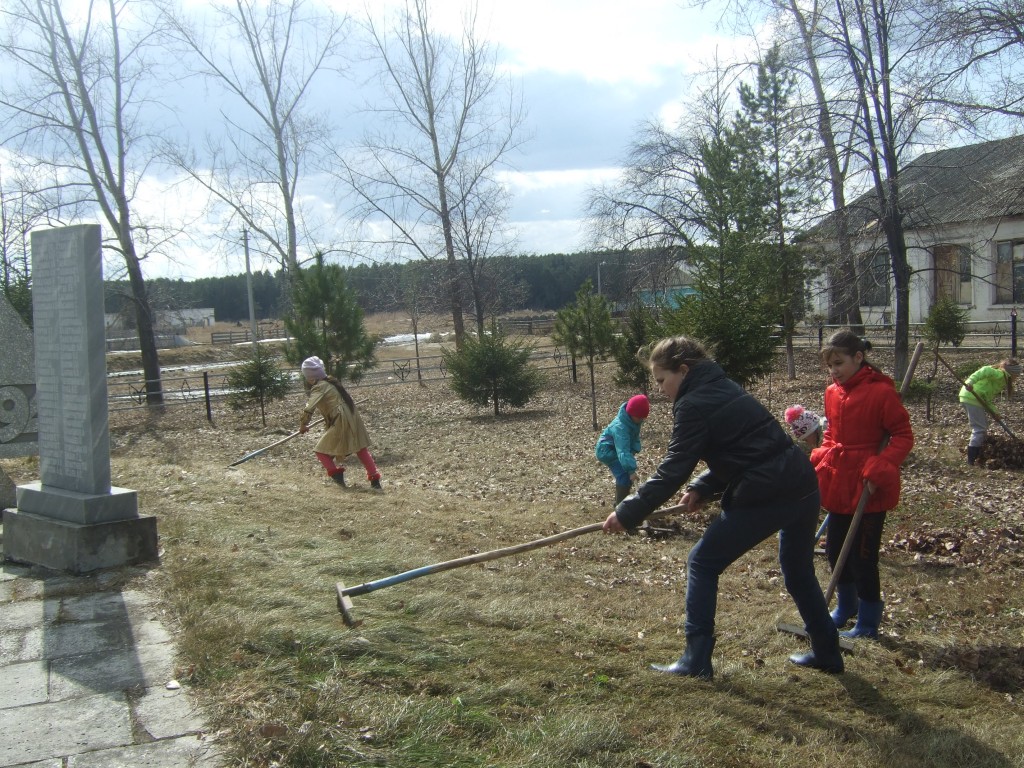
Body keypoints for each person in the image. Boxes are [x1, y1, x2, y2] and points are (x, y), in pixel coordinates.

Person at [602, 336, 842, 679]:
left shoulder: (692, 403)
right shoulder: (724, 385)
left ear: (683, 371)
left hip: (767, 491)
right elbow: (746, 446)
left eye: (661, 380)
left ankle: (695, 659)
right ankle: (827, 651)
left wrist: (628, 512)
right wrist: (703, 485)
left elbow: (673, 470)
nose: (660, 390)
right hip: (800, 482)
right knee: (798, 569)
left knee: (702, 561)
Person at [809, 331, 913, 640]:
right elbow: (831, 432)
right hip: (840, 480)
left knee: (863, 558)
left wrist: (883, 464)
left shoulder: (881, 393)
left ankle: (868, 622)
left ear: (858, 357)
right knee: (834, 551)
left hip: (869, 485)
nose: (834, 371)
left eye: (839, 363)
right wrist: (823, 452)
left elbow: (903, 436)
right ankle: (846, 607)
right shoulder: (832, 392)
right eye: (830, 366)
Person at [299, 356, 382, 490]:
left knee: (321, 451)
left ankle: (336, 475)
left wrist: (303, 424)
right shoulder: (332, 382)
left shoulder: (319, 387)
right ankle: (375, 480)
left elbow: (309, 407)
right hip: (352, 416)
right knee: (360, 448)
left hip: (341, 420)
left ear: (311, 377)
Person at [958, 358, 1020, 465]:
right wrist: (970, 383)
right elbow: (983, 370)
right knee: (979, 429)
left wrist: (995, 412)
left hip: (972, 398)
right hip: (972, 396)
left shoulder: (1002, 380)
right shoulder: (999, 374)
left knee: (981, 427)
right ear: (1012, 373)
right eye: (1016, 375)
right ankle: (971, 460)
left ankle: (975, 455)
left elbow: (986, 399)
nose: (1016, 378)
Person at [595, 394, 650, 505]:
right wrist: (631, 471)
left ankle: (621, 502)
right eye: (639, 417)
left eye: (643, 418)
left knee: (627, 476)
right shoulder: (620, 428)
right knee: (624, 476)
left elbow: (633, 438)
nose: (641, 420)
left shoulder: (633, 421)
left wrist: (634, 450)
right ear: (631, 413)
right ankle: (620, 508)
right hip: (606, 451)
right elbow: (623, 451)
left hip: (616, 449)